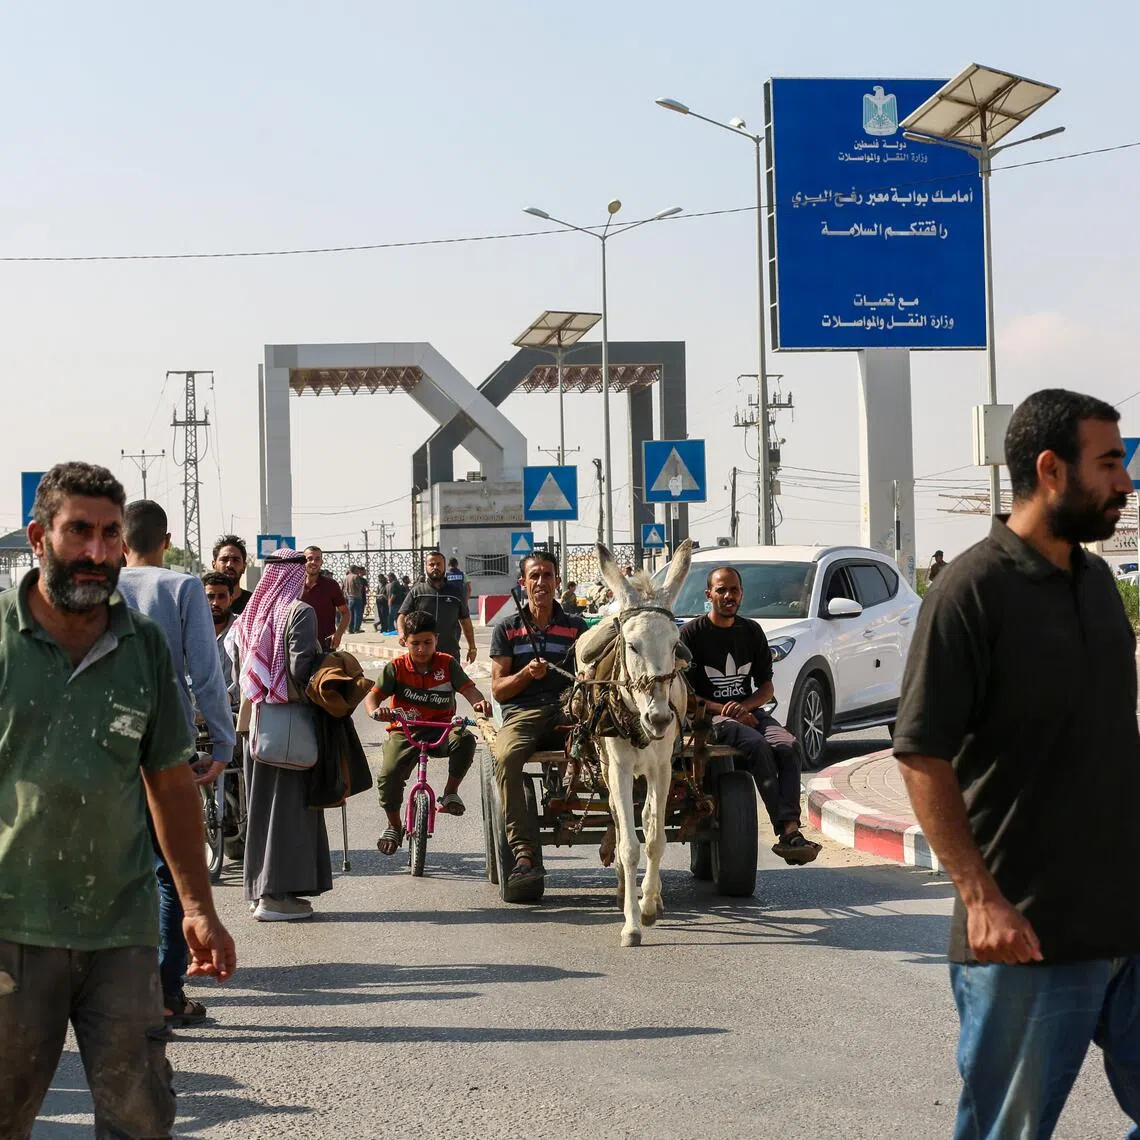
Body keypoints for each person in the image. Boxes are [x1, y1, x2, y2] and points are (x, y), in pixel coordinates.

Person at [893, 389, 1140, 1139]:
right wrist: (981, 898)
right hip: (1027, 936)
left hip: (1127, 921)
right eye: (1108, 465)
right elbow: (921, 752)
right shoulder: (972, 592)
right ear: (1051, 471)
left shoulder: (1097, 585)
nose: (1126, 484)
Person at [0, 463, 235, 1139]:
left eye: (109, 534)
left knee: (140, 1118)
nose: (98, 552)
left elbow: (168, 783)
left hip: (122, 933)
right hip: (14, 928)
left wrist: (197, 908)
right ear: (38, 538)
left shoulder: (145, 648)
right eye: (79, 532)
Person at [118, 499, 237, 1027]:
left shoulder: (99, 587)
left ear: (122, 543)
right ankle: (167, 994)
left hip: (106, 749)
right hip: (167, 745)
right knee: (171, 872)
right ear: (166, 541)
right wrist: (223, 746)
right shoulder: (183, 587)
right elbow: (206, 675)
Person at [680, 566, 821, 865]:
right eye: (721, 590)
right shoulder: (691, 635)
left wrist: (745, 707)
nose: (728, 596)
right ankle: (785, 829)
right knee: (756, 746)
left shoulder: (751, 631)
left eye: (734, 590)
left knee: (788, 745)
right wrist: (726, 710)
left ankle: (791, 828)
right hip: (709, 718)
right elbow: (684, 695)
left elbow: (766, 686)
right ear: (709, 595)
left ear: (741, 593)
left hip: (750, 713)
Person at [234, 549, 332, 921]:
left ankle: (261, 890)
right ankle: (275, 899)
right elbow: (299, 670)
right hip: (287, 727)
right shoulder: (298, 612)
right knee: (288, 812)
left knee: (261, 812)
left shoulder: (249, 617)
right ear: (294, 576)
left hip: (253, 724)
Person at [490, 550, 587, 890]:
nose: (541, 582)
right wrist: (527, 675)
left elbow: (588, 675)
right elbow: (499, 690)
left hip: (568, 711)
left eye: (548, 575)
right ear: (523, 583)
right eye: (535, 576)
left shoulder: (577, 627)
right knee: (507, 758)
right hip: (524, 714)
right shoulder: (507, 628)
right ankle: (524, 853)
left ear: (558, 582)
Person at [364, 610, 491, 854]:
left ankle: (450, 793)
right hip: (405, 731)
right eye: (415, 644)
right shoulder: (396, 668)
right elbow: (373, 697)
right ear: (405, 642)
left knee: (465, 738)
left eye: (427, 643)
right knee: (388, 775)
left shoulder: (447, 664)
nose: (421, 650)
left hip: (441, 729)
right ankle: (394, 825)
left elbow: (470, 691)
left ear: (436, 640)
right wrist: (376, 712)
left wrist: (479, 704)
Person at [398, 549, 476, 664]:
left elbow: (465, 620)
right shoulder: (417, 592)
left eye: (438, 564)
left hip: (450, 653)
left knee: (450, 682)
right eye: (431, 564)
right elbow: (402, 615)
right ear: (426, 567)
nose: (435, 567)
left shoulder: (455, 593)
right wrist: (401, 634)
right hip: (422, 654)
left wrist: (472, 647)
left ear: (445, 566)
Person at [202, 569, 240, 709]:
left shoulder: (242, 628)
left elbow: (249, 674)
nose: (215, 603)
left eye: (221, 597)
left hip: (232, 710)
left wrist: (228, 697)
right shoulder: (189, 630)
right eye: (210, 596)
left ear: (231, 598)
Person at [301, 545, 349, 649]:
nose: (313, 562)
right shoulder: (294, 586)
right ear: (303, 561)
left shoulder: (331, 585)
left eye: (317, 559)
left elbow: (346, 613)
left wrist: (339, 633)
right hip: (298, 645)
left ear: (321, 562)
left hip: (325, 645)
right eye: (309, 559)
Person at [213, 534, 253, 614]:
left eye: (235, 560)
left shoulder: (253, 603)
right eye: (224, 559)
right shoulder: (201, 601)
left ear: (244, 567)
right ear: (214, 565)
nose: (230, 565)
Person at [342, 564, 366, 634]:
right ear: (355, 570)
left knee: (350, 614)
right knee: (358, 613)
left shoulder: (346, 577)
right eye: (357, 569)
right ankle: (356, 629)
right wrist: (361, 586)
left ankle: (350, 629)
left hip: (349, 597)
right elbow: (359, 587)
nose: (358, 570)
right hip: (357, 597)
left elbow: (344, 588)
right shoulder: (355, 577)